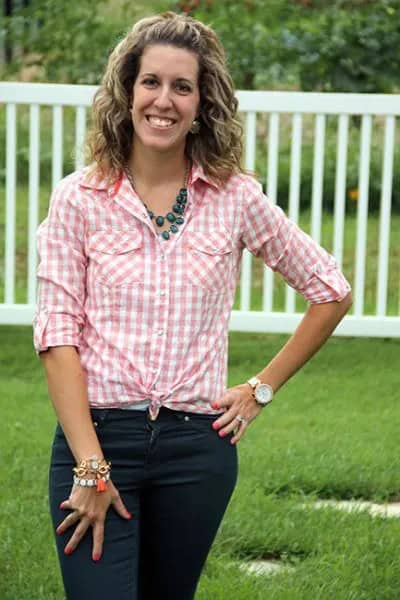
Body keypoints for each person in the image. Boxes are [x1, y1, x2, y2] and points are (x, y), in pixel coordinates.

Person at [33, 10, 352, 600]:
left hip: (196, 452)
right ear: (127, 91)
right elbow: (57, 337)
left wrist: (260, 389)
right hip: (97, 440)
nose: (164, 100)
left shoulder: (234, 198)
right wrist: (92, 468)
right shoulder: (79, 198)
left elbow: (329, 290)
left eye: (183, 87)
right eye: (151, 81)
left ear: (203, 104)